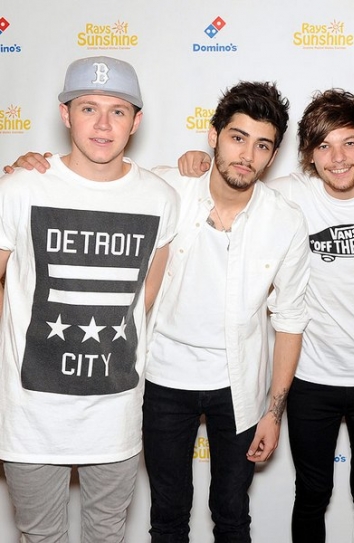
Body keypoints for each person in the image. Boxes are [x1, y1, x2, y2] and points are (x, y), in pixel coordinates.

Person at [7, 81, 311, 543]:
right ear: (213, 136)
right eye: (237, 137)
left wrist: (274, 411)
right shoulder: (168, 188)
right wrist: (33, 166)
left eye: (262, 145)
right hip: (162, 379)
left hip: (239, 387)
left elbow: (289, 320)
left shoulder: (285, 221)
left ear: (273, 155)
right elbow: (94, 179)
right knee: (167, 517)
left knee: (233, 515)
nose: (247, 154)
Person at [178, 88, 354, 543]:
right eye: (324, 146)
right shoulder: (285, 195)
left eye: (350, 143)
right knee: (312, 493)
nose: (338, 158)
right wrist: (195, 162)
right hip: (310, 379)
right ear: (308, 156)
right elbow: (228, 179)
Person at [0, 56, 178, 542]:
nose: (103, 124)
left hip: (114, 414)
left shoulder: (160, 198)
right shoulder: (19, 188)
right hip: (31, 416)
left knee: (107, 534)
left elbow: (143, 303)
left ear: (136, 121)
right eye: (88, 108)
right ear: (65, 114)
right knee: (41, 536)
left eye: (117, 111)